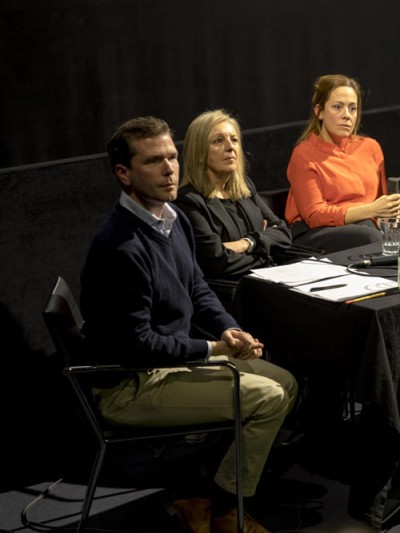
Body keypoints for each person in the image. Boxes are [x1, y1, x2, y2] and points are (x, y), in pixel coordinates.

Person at [80, 116, 298, 533]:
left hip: (167, 365)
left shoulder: (172, 218)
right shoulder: (119, 246)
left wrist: (228, 329)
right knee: (267, 397)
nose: (169, 169)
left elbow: (197, 289)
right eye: (153, 161)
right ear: (123, 174)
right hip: (132, 383)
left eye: (173, 157)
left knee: (285, 381)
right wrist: (214, 350)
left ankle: (199, 496)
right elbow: (138, 345)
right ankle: (225, 509)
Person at [174, 109, 292, 313]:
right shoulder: (188, 201)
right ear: (200, 152)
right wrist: (265, 247)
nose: (230, 147)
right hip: (233, 294)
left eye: (234, 140)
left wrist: (248, 243)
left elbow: (283, 233)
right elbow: (218, 261)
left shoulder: (244, 187)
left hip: (267, 279)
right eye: (218, 141)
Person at [284, 74, 400, 253]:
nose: (347, 115)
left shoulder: (370, 147)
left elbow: (381, 203)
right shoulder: (303, 154)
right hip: (314, 232)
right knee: (369, 237)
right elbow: (314, 215)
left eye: (353, 108)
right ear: (319, 111)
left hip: (365, 226)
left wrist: (387, 215)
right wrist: (370, 210)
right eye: (337, 107)